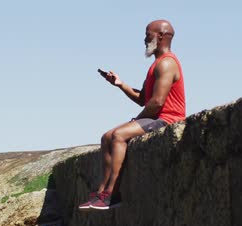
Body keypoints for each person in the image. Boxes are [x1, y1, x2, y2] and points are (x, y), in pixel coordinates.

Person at [79, 19, 186, 210]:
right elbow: (144, 98)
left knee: (119, 136)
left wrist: (136, 120)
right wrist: (120, 84)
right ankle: (101, 192)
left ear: (161, 36)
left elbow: (156, 103)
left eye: (148, 34)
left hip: (168, 119)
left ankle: (112, 194)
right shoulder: (156, 65)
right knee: (106, 137)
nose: (144, 39)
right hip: (154, 117)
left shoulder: (167, 64)